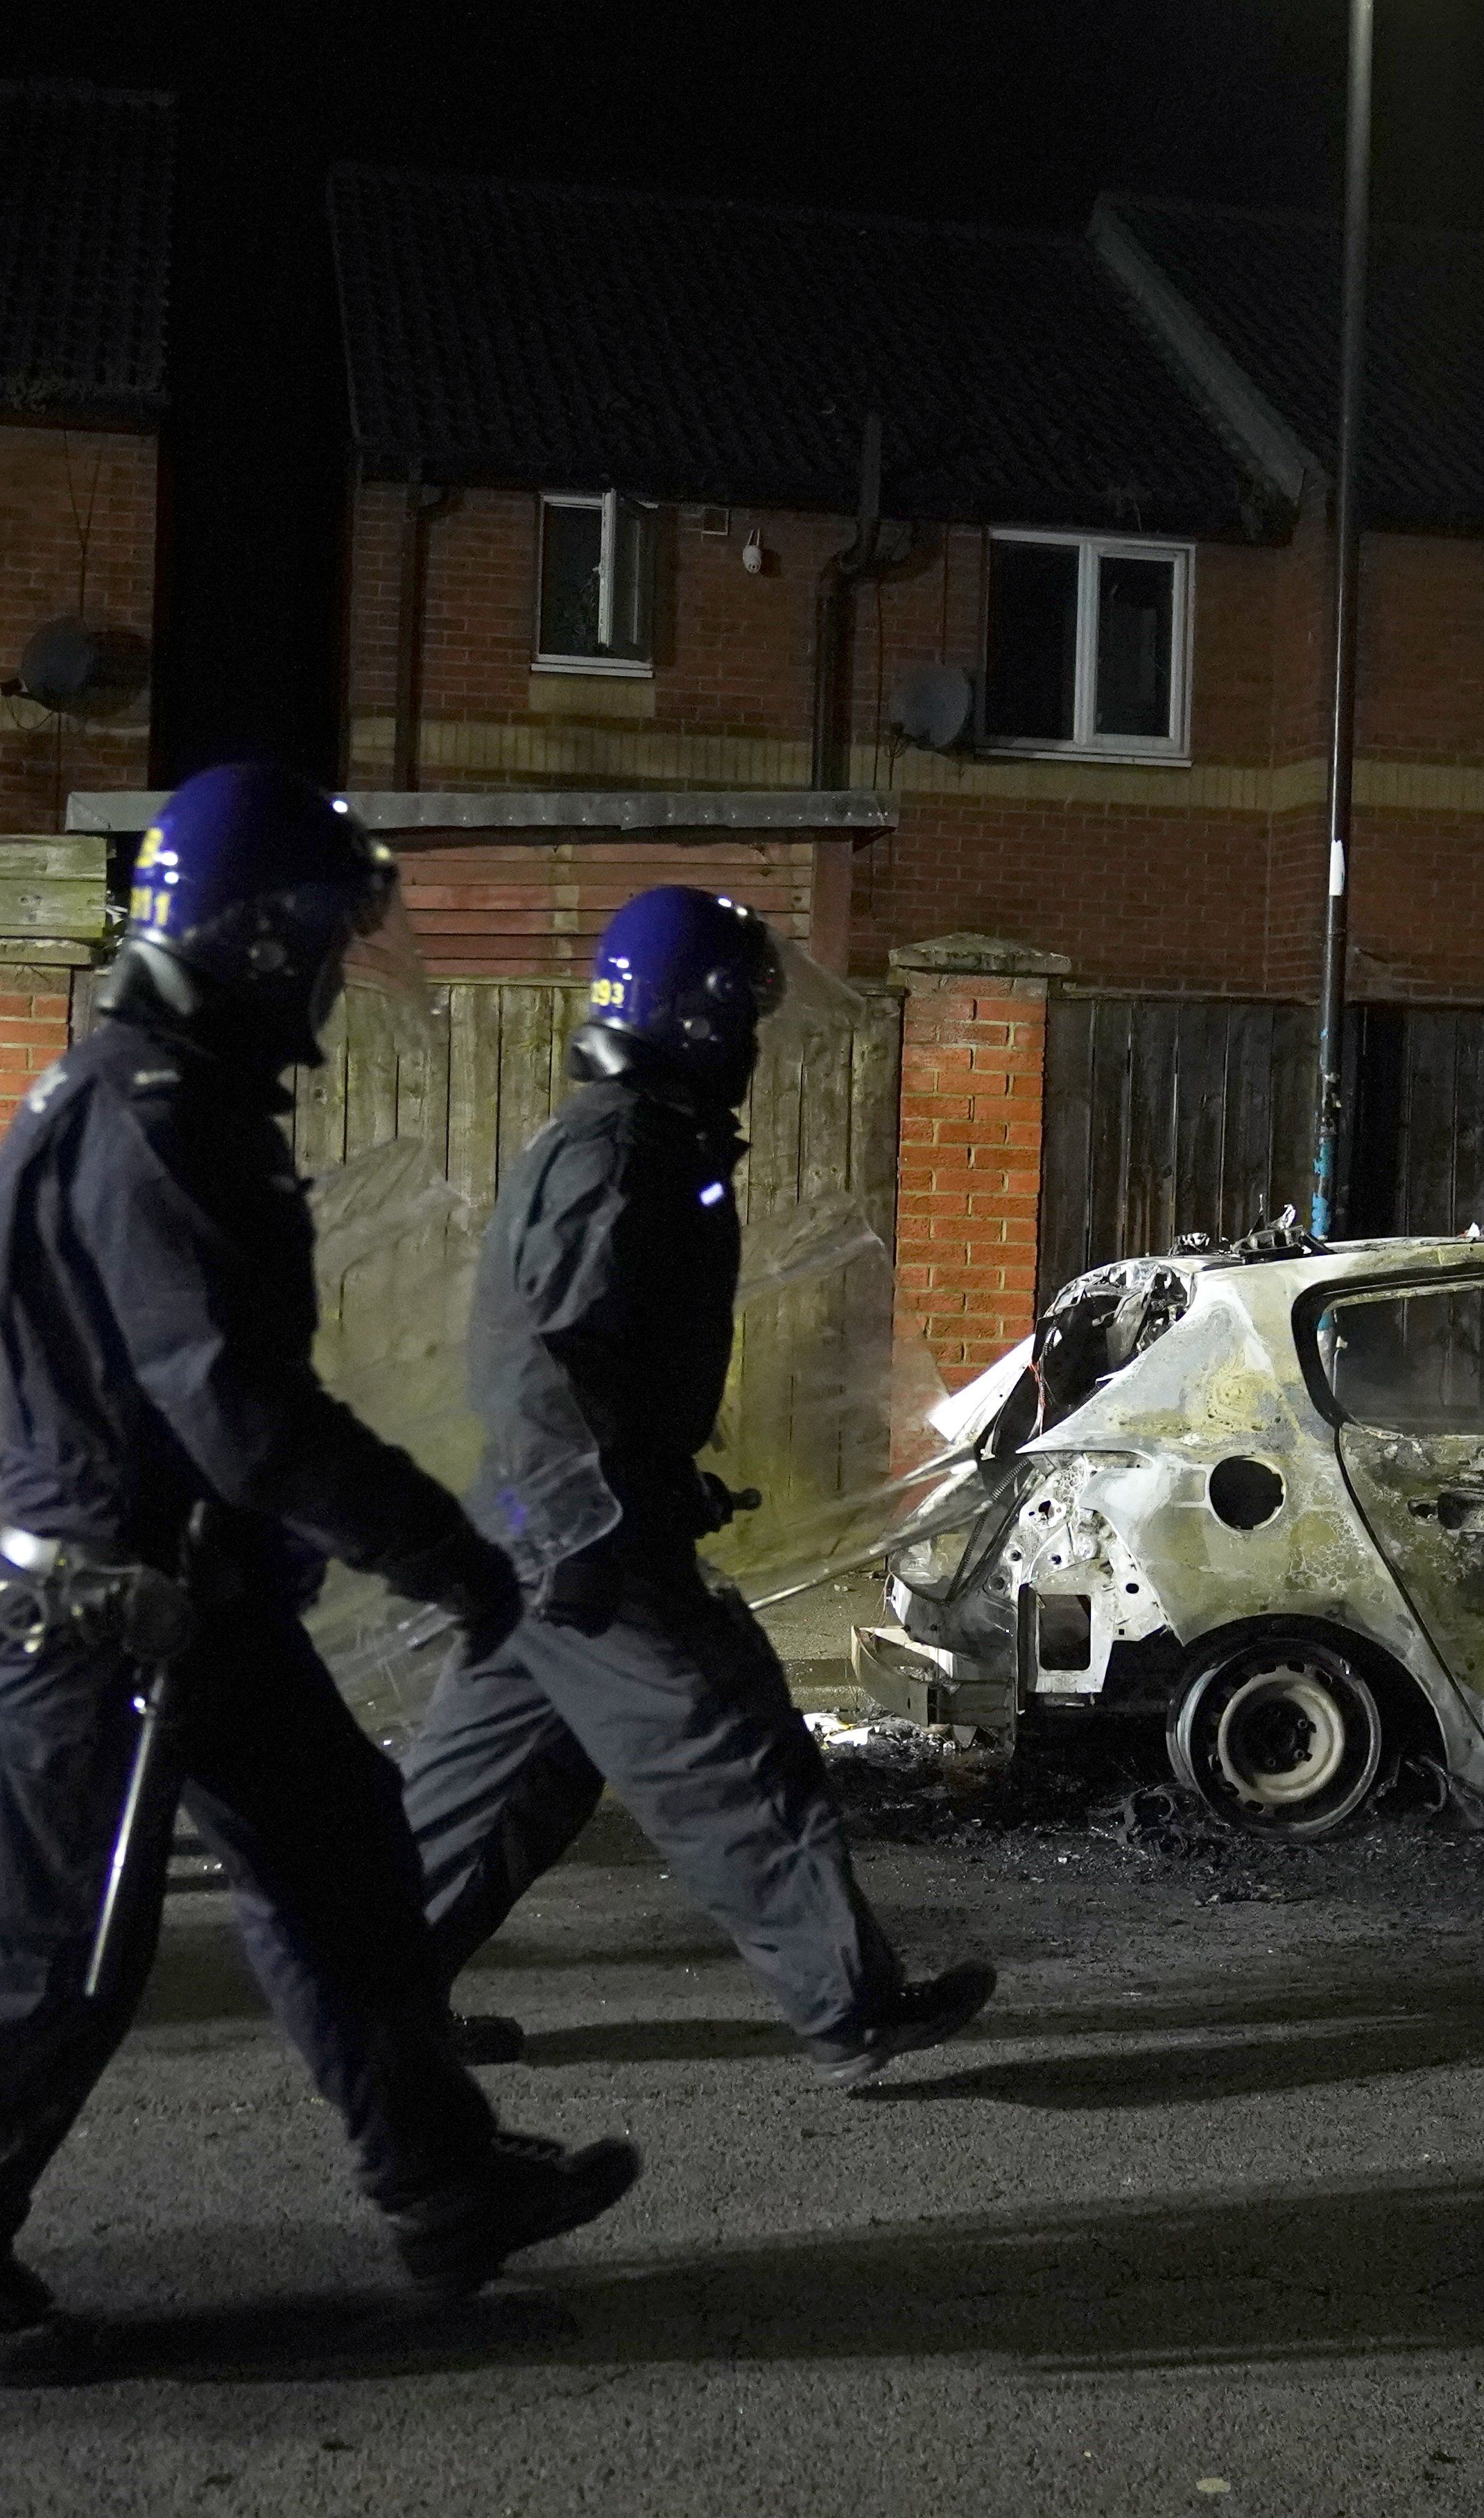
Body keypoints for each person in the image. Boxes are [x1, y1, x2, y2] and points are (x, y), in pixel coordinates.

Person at [0, 764, 636, 2386]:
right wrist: (444, 1556)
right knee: (46, 1946)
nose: (339, 971)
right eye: (327, 936)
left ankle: (445, 2185)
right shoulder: (153, 1117)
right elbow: (240, 1409)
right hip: (110, 1618)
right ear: (254, 936)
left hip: (195, 1600)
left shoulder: (160, 1093)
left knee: (348, 1875)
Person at [399, 885, 994, 2091]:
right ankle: (853, 2011)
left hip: (553, 1532)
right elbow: (541, 1363)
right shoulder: (620, 1152)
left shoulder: (649, 1142)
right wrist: (602, 1526)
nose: (761, 1046)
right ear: (702, 1017)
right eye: (748, 1018)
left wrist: (660, 1486)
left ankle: (369, 2002)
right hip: (581, 1545)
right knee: (737, 1755)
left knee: (501, 1785)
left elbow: (601, 1365)